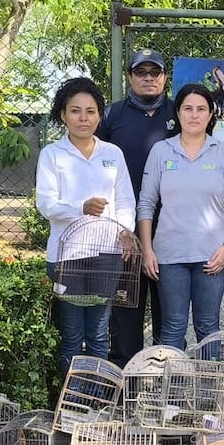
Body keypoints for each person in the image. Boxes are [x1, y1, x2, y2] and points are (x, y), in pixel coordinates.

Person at [35, 77, 135, 378]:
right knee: (71, 336)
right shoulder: (52, 154)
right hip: (67, 257)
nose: (83, 118)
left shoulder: (112, 154)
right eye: (75, 111)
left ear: (99, 115)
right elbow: (46, 204)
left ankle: (97, 400)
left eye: (91, 111)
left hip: (106, 255)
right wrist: (81, 208)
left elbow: (126, 199)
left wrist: (125, 230)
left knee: (99, 335)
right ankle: (71, 402)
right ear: (63, 115)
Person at [137, 83, 224, 348]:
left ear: (210, 115)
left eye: (201, 109)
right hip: (169, 256)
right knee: (173, 326)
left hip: (212, 257)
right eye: (187, 108)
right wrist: (148, 250)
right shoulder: (161, 151)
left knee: (208, 327)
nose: (194, 115)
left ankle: (211, 387)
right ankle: (173, 387)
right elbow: (146, 204)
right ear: (178, 113)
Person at [96, 49, 178, 365]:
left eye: (154, 72)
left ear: (164, 77)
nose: (148, 78)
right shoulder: (112, 115)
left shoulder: (179, 112)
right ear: (129, 77)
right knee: (126, 307)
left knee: (167, 309)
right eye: (140, 72)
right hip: (126, 227)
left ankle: (167, 376)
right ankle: (124, 376)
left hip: (169, 225)